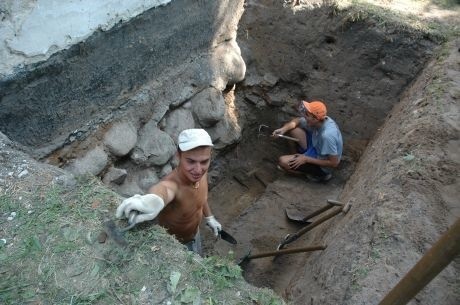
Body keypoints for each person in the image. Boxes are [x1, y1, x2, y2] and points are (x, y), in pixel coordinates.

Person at [115, 128, 222, 255]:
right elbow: (164, 190)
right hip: (178, 246)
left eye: (204, 161)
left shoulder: (201, 174)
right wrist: (155, 198)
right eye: (191, 161)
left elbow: (200, 197)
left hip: (195, 235)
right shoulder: (173, 185)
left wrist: (210, 217)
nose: (198, 169)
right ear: (179, 155)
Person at [272, 100, 343, 182]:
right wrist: (283, 130)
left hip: (322, 165)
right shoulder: (323, 119)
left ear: (315, 118)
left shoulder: (327, 136)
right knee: (293, 130)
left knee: (283, 161)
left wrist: (306, 159)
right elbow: (297, 120)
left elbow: (334, 163)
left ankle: (317, 175)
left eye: (307, 115)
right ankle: (297, 158)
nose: (304, 116)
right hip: (316, 145)